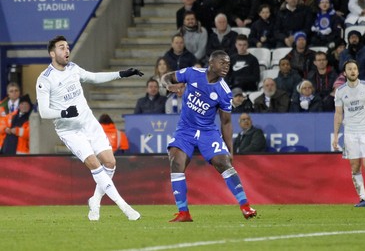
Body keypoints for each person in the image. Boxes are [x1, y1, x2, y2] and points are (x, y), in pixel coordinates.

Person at [36, 35, 143, 221]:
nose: (66, 50)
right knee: (94, 163)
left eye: (67, 47)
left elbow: (94, 77)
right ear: (52, 53)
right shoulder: (45, 79)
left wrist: (121, 74)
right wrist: (64, 113)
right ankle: (124, 207)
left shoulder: (73, 68)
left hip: (89, 124)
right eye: (62, 47)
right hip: (69, 131)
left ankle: (95, 200)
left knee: (110, 162)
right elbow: (44, 112)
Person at [161, 50, 257, 222]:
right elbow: (166, 76)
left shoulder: (224, 91)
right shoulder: (192, 73)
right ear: (211, 63)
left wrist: (230, 150)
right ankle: (184, 213)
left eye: (228, 63)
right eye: (223, 62)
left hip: (207, 132)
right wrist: (169, 86)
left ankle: (246, 206)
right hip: (185, 129)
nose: (226, 66)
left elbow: (226, 122)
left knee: (223, 163)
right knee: (176, 161)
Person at [332, 59, 365, 207]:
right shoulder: (340, 91)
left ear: (358, 71)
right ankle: (363, 199)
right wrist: (336, 135)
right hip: (350, 132)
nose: (352, 71)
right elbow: (338, 114)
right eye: (349, 69)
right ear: (345, 73)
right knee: (355, 167)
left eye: (355, 68)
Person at [0, 82, 21, 151]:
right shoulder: (1, 107)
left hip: (19, 140)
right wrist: (5, 129)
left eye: (16, 90)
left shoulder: (25, 106)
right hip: (3, 141)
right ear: (8, 94)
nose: (14, 93)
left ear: (19, 92)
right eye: (11, 91)